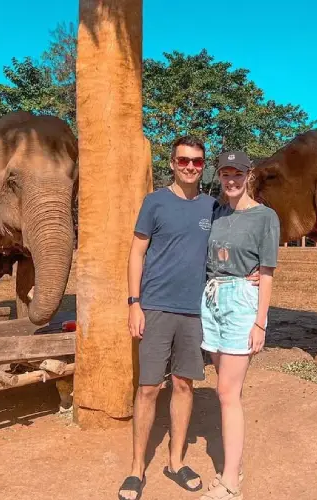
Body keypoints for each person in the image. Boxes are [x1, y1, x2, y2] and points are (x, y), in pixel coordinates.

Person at [117, 135, 214, 500]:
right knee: (147, 388)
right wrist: (134, 303)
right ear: (172, 163)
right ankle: (136, 468)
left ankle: (175, 462)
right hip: (155, 307)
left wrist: (252, 272)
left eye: (197, 161)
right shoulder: (155, 202)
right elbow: (136, 254)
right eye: (184, 160)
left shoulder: (212, 207)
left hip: (194, 311)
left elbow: (227, 250)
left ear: (203, 166)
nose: (190, 166)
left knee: (185, 385)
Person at [199, 151, 280, 500]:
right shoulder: (216, 214)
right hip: (212, 298)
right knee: (226, 389)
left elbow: (266, 272)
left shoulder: (265, 217)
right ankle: (234, 466)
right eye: (225, 174)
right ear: (220, 176)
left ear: (249, 175)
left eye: (238, 174)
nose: (231, 180)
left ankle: (231, 481)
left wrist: (260, 322)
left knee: (227, 393)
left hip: (241, 301)